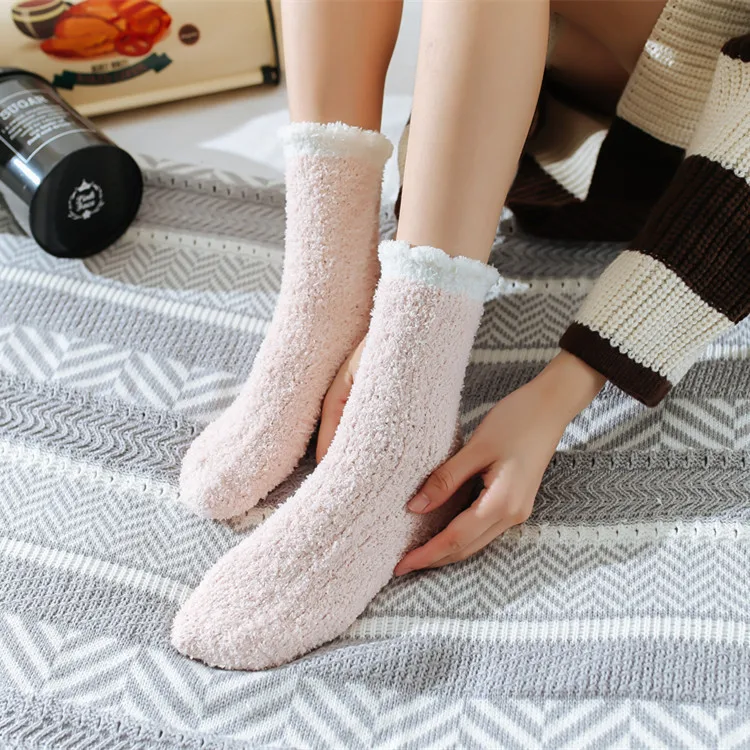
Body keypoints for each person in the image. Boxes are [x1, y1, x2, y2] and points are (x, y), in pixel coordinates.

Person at [170, 0, 750, 670]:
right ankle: (324, 299)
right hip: (545, 108)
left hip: (701, 174)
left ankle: (401, 430)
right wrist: (391, 297)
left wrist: (563, 389)